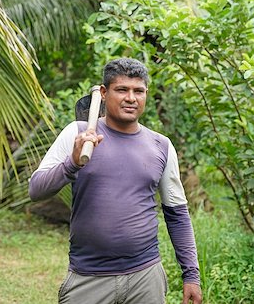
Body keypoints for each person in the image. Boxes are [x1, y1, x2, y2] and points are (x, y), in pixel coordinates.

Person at [28, 58, 202, 304]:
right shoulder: (78, 134)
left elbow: (177, 214)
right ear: (103, 92)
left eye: (138, 91)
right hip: (88, 278)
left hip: (145, 276)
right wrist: (72, 164)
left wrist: (191, 275)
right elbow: (35, 189)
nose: (131, 98)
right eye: (122, 89)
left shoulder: (161, 146)